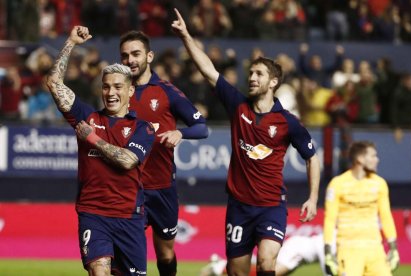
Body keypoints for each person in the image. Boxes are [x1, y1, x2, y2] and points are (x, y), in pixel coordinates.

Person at [172, 9, 321, 276]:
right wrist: (185, 35)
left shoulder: (289, 122)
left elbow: (312, 157)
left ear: (273, 82)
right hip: (239, 207)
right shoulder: (238, 105)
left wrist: (312, 197)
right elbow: (208, 70)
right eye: (251, 73)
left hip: (272, 206)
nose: (252, 77)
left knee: (266, 263)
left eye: (259, 74)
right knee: (237, 271)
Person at [46, 26, 155, 275]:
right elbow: (53, 83)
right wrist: (71, 42)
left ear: (130, 91)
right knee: (99, 270)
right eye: (106, 87)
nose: (111, 93)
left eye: (118, 87)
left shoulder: (143, 128)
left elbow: (128, 161)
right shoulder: (87, 116)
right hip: (93, 214)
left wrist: (92, 138)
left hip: (129, 217)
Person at [119, 29, 209, 275]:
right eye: (125, 56)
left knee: (165, 254)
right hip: (129, 188)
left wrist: (181, 133)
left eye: (136, 53)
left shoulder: (166, 92)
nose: (130, 60)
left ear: (149, 56)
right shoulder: (116, 93)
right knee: (128, 255)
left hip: (162, 189)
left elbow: (202, 128)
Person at [324, 141, 400, 276]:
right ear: (360, 159)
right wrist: (328, 251)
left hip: (375, 249)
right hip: (348, 249)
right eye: (373, 156)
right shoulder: (337, 184)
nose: (377, 160)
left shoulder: (379, 183)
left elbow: (386, 216)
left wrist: (393, 247)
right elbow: (330, 219)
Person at [200, 233, 329, 276]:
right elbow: (325, 256)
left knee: (266, 267)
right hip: (297, 251)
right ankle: (220, 267)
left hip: (300, 254)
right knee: (270, 272)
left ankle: (220, 265)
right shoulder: (334, 239)